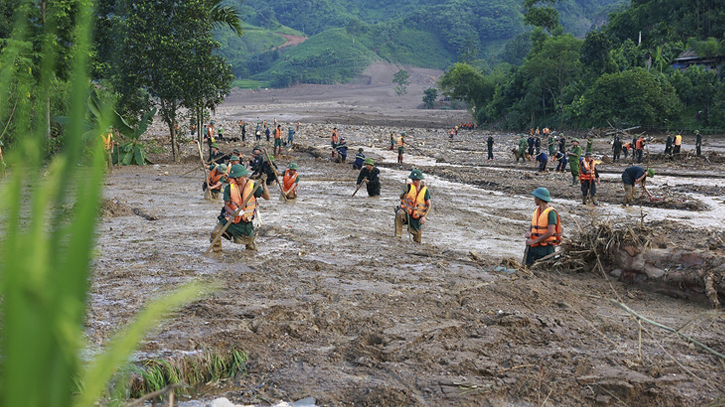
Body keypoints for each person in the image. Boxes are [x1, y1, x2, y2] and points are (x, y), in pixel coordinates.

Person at [209, 165, 270, 252]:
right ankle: (217, 252)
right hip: (231, 218)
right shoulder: (229, 188)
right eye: (234, 178)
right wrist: (232, 212)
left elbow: (267, 197)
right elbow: (226, 205)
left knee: (250, 244)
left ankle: (251, 257)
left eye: (238, 178)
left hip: (245, 220)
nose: (236, 180)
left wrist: (264, 184)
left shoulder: (253, 186)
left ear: (244, 176)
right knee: (215, 233)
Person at [525, 187, 562, 266]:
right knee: (527, 266)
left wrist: (534, 241)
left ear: (539, 199)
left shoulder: (551, 212)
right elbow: (533, 225)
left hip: (545, 249)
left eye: (535, 198)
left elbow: (550, 231)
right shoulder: (538, 210)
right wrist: (529, 232)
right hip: (534, 247)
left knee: (543, 269)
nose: (534, 199)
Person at [395, 169, 431, 244]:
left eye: (417, 180)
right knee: (399, 213)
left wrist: (424, 217)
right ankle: (398, 237)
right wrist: (404, 192)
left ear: (420, 180)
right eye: (413, 180)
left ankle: (417, 242)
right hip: (406, 212)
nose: (415, 182)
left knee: (417, 239)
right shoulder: (408, 187)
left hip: (417, 216)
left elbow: (429, 205)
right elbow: (401, 197)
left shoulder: (425, 190)